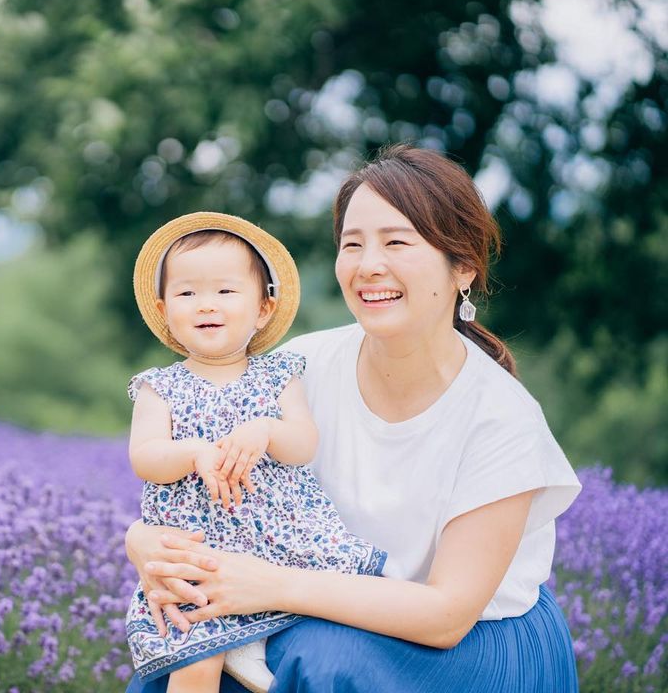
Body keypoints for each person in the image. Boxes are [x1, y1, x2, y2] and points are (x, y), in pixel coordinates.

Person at [124, 144, 583, 693]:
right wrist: (142, 542)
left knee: (319, 662)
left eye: (396, 242)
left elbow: (446, 616)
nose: (369, 266)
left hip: (473, 644)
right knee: (182, 654)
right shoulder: (301, 367)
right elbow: (213, 487)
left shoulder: (502, 417)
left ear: (462, 266)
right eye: (352, 244)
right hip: (322, 614)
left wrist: (269, 585)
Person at [125, 212, 387, 693]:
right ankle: (225, 648)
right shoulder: (158, 388)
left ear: (263, 308)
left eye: (226, 291)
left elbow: (304, 445)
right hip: (201, 548)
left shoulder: (277, 375)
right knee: (196, 659)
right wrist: (193, 453)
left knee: (337, 617)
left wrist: (266, 430)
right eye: (186, 293)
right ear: (164, 309)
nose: (206, 304)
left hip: (279, 538)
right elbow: (145, 457)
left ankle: (253, 643)